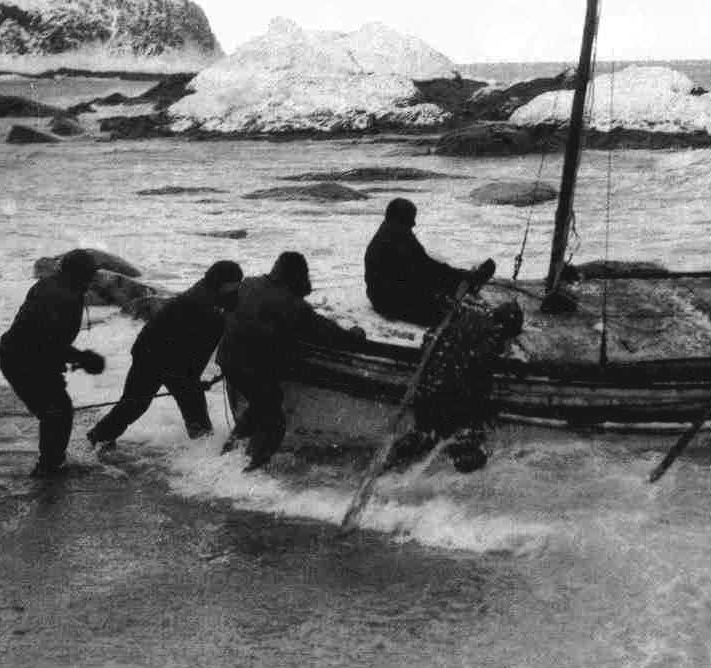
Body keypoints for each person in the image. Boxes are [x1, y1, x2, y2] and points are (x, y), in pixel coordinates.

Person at [217, 252, 365, 471]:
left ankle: (224, 458)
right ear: (297, 277)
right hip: (250, 365)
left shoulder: (249, 284)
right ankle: (244, 472)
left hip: (227, 358)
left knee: (262, 404)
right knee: (274, 423)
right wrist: (354, 335)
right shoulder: (292, 304)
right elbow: (327, 333)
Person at [86, 260, 244, 449]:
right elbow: (196, 349)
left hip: (167, 354)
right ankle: (98, 437)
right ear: (224, 283)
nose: (239, 286)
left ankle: (203, 449)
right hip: (152, 355)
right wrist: (193, 379)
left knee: (190, 406)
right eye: (236, 282)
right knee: (136, 403)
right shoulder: (202, 305)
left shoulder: (215, 296)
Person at [0, 249, 106, 477]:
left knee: (57, 411)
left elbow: (49, 341)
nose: (92, 280)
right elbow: (47, 341)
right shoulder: (61, 296)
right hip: (22, 360)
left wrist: (75, 358)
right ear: (77, 274)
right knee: (58, 412)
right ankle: (49, 467)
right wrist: (83, 358)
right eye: (89, 274)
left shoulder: (58, 286)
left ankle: (52, 462)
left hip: (28, 357)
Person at [384, 300, 524, 474]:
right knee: (469, 443)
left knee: (424, 431)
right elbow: (480, 364)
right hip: (449, 397)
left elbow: (431, 338)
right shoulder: (492, 335)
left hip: (426, 389)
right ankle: (455, 482)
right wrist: (509, 367)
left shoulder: (465, 316)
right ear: (506, 329)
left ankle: (392, 462)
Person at [364, 197, 496, 325]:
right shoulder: (399, 236)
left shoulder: (388, 231)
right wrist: (460, 275)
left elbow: (421, 266)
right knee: (451, 314)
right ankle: (468, 281)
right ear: (403, 218)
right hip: (390, 302)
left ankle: (465, 280)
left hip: (380, 297)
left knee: (438, 281)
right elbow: (426, 268)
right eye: (411, 218)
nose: (414, 223)